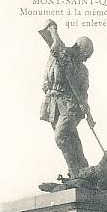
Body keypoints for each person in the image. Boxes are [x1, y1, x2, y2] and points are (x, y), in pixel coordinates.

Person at [39, 20, 96, 178]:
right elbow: (50, 24)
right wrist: (46, 84)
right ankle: (80, 169)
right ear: (79, 48)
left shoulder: (83, 71)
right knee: (71, 139)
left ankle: (76, 171)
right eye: (85, 56)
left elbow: (84, 93)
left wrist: (88, 113)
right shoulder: (60, 52)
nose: (85, 60)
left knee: (61, 136)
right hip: (53, 102)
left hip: (71, 106)